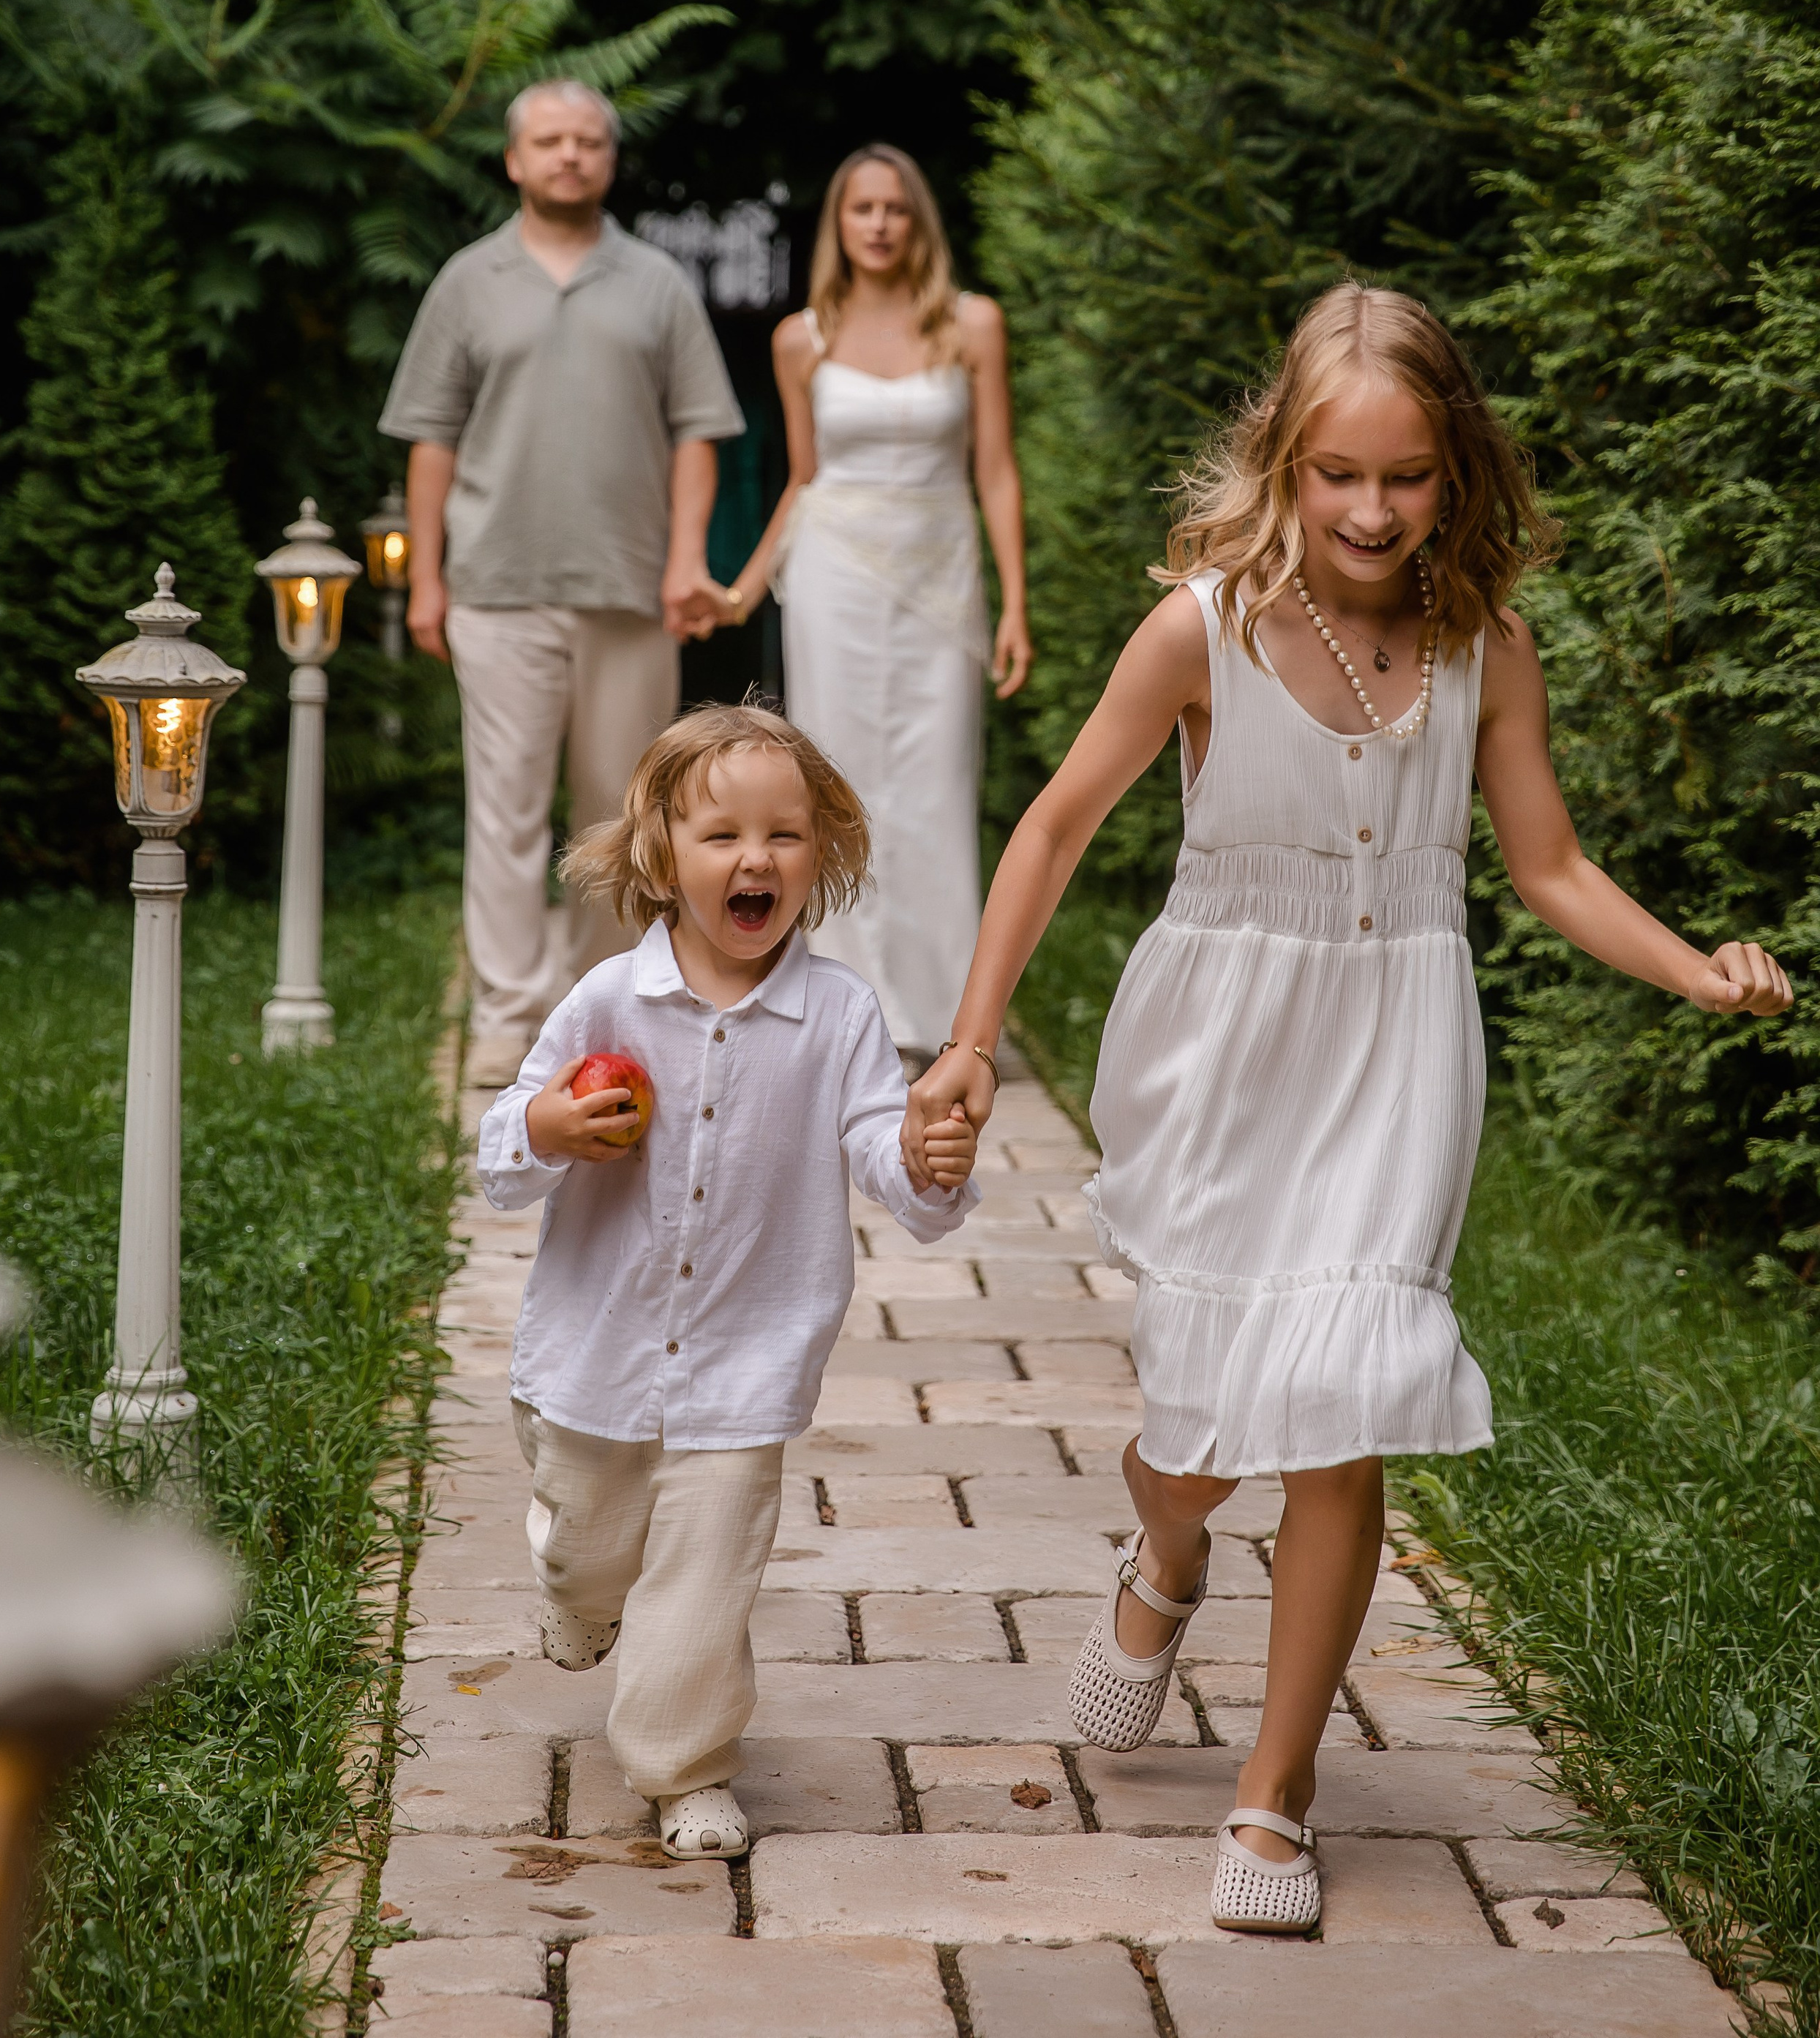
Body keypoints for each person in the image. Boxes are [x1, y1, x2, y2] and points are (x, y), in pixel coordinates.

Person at [901, 281, 1792, 1935]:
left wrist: (1689, 970)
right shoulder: (1200, 626)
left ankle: (1272, 1789)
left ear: (1452, 469)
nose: (1371, 512)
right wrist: (964, 1041)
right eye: (1336, 476)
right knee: (1203, 1433)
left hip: (1397, 1048)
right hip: (1224, 1051)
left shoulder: (1482, 644)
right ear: (1282, 464)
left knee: (1345, 1402)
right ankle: (1162, 1552)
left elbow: (1546, 865)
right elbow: (1046, 829)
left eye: (1403, 476)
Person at [478, 701, 979, 1857]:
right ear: (662, 856)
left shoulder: (842, 1014)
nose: (756, 859)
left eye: (785, 836)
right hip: (593, 1354)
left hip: (748, 1357)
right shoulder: (606, 1000)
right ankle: (574, 1593)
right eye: (722, 836)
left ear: (824, 854)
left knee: (704, 1578)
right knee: (590, 1546)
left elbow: (876, 1150)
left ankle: (684, 1764)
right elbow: (505, 1150)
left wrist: (922, 1158)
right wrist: (550, 1125)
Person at [379, 80, 745, 1088]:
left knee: (616, 817)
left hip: (632, 592)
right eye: (550, 141)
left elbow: (698, 433)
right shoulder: (466, 281)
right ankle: (504, 1017)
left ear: (609, 161)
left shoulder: (658, 284)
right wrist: (426, 580)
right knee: (501, 810)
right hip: (496, 589)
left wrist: (685, 560)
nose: (570, 156)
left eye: (588, 142)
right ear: (515, 159)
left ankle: (599, 1017)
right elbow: (430, 440)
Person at [710, 143, 1031, 1069]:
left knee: (935, 785)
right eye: (862, 210)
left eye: (895, 208)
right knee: (836, 781)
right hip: (833, 577)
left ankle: (947, 1013)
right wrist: (741, 589)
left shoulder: (972, 325)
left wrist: (1013, 606)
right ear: (839, 226)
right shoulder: (799, 338)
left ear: (917, 220)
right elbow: (804, 477)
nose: (879, 224)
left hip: (940, 574)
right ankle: (844, 1013)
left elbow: (997, 473)